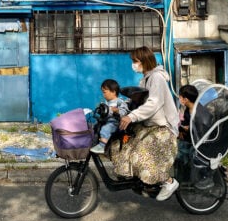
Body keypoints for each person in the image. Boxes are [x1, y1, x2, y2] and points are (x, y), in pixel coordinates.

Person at [111, 46, 180, 201]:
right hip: (150, 126)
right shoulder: (146, 78)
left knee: (140, 154)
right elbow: (138, 101)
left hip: (163, 128)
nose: (133, 64)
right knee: (124, 145)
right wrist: (121, 109)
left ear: (144, 61)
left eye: (135, 61)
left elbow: (152, 104)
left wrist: (132, 117)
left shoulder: (157, 78)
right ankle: (140, 182)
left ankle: (168, 182)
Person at [178, 84, 214, 190]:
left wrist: (185, 128)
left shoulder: (199, 113)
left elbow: (201, 133)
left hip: (200, 145)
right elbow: (185, 123)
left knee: (183, 153)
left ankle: (201, 178)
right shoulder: (188, 109)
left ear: (186, 99)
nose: (179, 99)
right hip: (190, 140)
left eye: (180, 97)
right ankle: (185, 177)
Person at [90, 79, 129, 155]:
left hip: (115, 122)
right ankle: (94, 144)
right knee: (95, 127)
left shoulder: (119, 101)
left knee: (106, 129)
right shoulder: (106, 103)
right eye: (102, 92)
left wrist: (116, 110)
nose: (103, 95)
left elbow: (124, 111)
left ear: (113, 92)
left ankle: (103, 146)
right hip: (105, 121)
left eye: (104, 92)